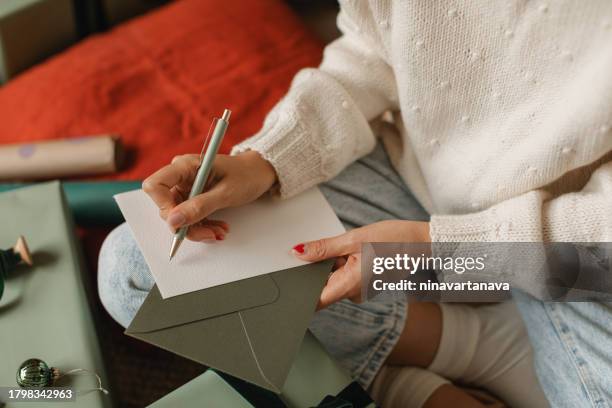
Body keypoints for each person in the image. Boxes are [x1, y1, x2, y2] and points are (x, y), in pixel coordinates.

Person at [99, 1, 612, 406]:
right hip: (417, 188)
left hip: (583, 257)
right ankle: (470, 343)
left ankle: (439, 352)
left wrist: (439, 254)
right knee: (137, 271)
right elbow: (372, 47)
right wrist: (268, 159)